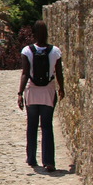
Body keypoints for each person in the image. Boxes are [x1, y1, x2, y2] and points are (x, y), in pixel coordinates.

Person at [22, 23, 64, 172]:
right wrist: (62, 89)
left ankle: (32, 158)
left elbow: (25, 73)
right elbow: (59, 73)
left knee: (32, 126)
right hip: (48, 92)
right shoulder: (55, 52)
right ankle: (49, 161)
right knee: (47, 126)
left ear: (33, 34)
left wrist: (20, 93)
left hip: (32, 93)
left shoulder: (27, 51)